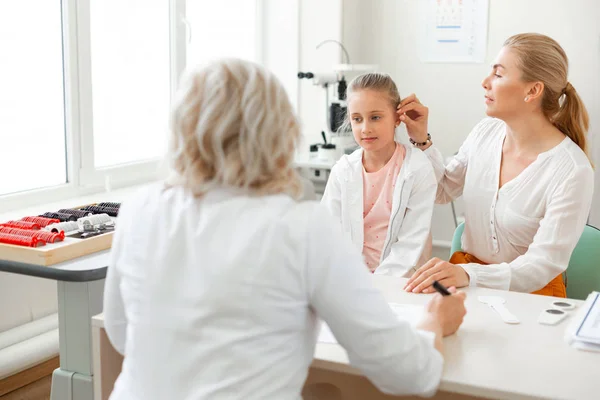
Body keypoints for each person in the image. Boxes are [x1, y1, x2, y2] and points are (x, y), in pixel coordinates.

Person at [103, 59, 467, 399]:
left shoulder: (139, 208)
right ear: (280, 130)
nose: (364, 127)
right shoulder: (301, 227)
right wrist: (434, 322)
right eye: (357, 118)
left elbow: (120, 335)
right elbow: (407, 372)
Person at [400, 33, 594, 297]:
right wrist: (421, 139)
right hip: (465, 286)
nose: (485, 83)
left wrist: (470, 275)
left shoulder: (572, 170)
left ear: (533, 90)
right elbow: (443, 190)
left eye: (498, 74)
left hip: (530, 297)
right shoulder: (485, 133)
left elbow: (542, 265)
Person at [321, 72, 437, 276]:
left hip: (401, 281)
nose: (365, 128)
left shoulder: (417, 169)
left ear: (397, 118)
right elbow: (327, 233)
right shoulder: (343, 170)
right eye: (357, 119)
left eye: (375, 117)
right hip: (349, 279)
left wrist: (377, 285)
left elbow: (410, 244)